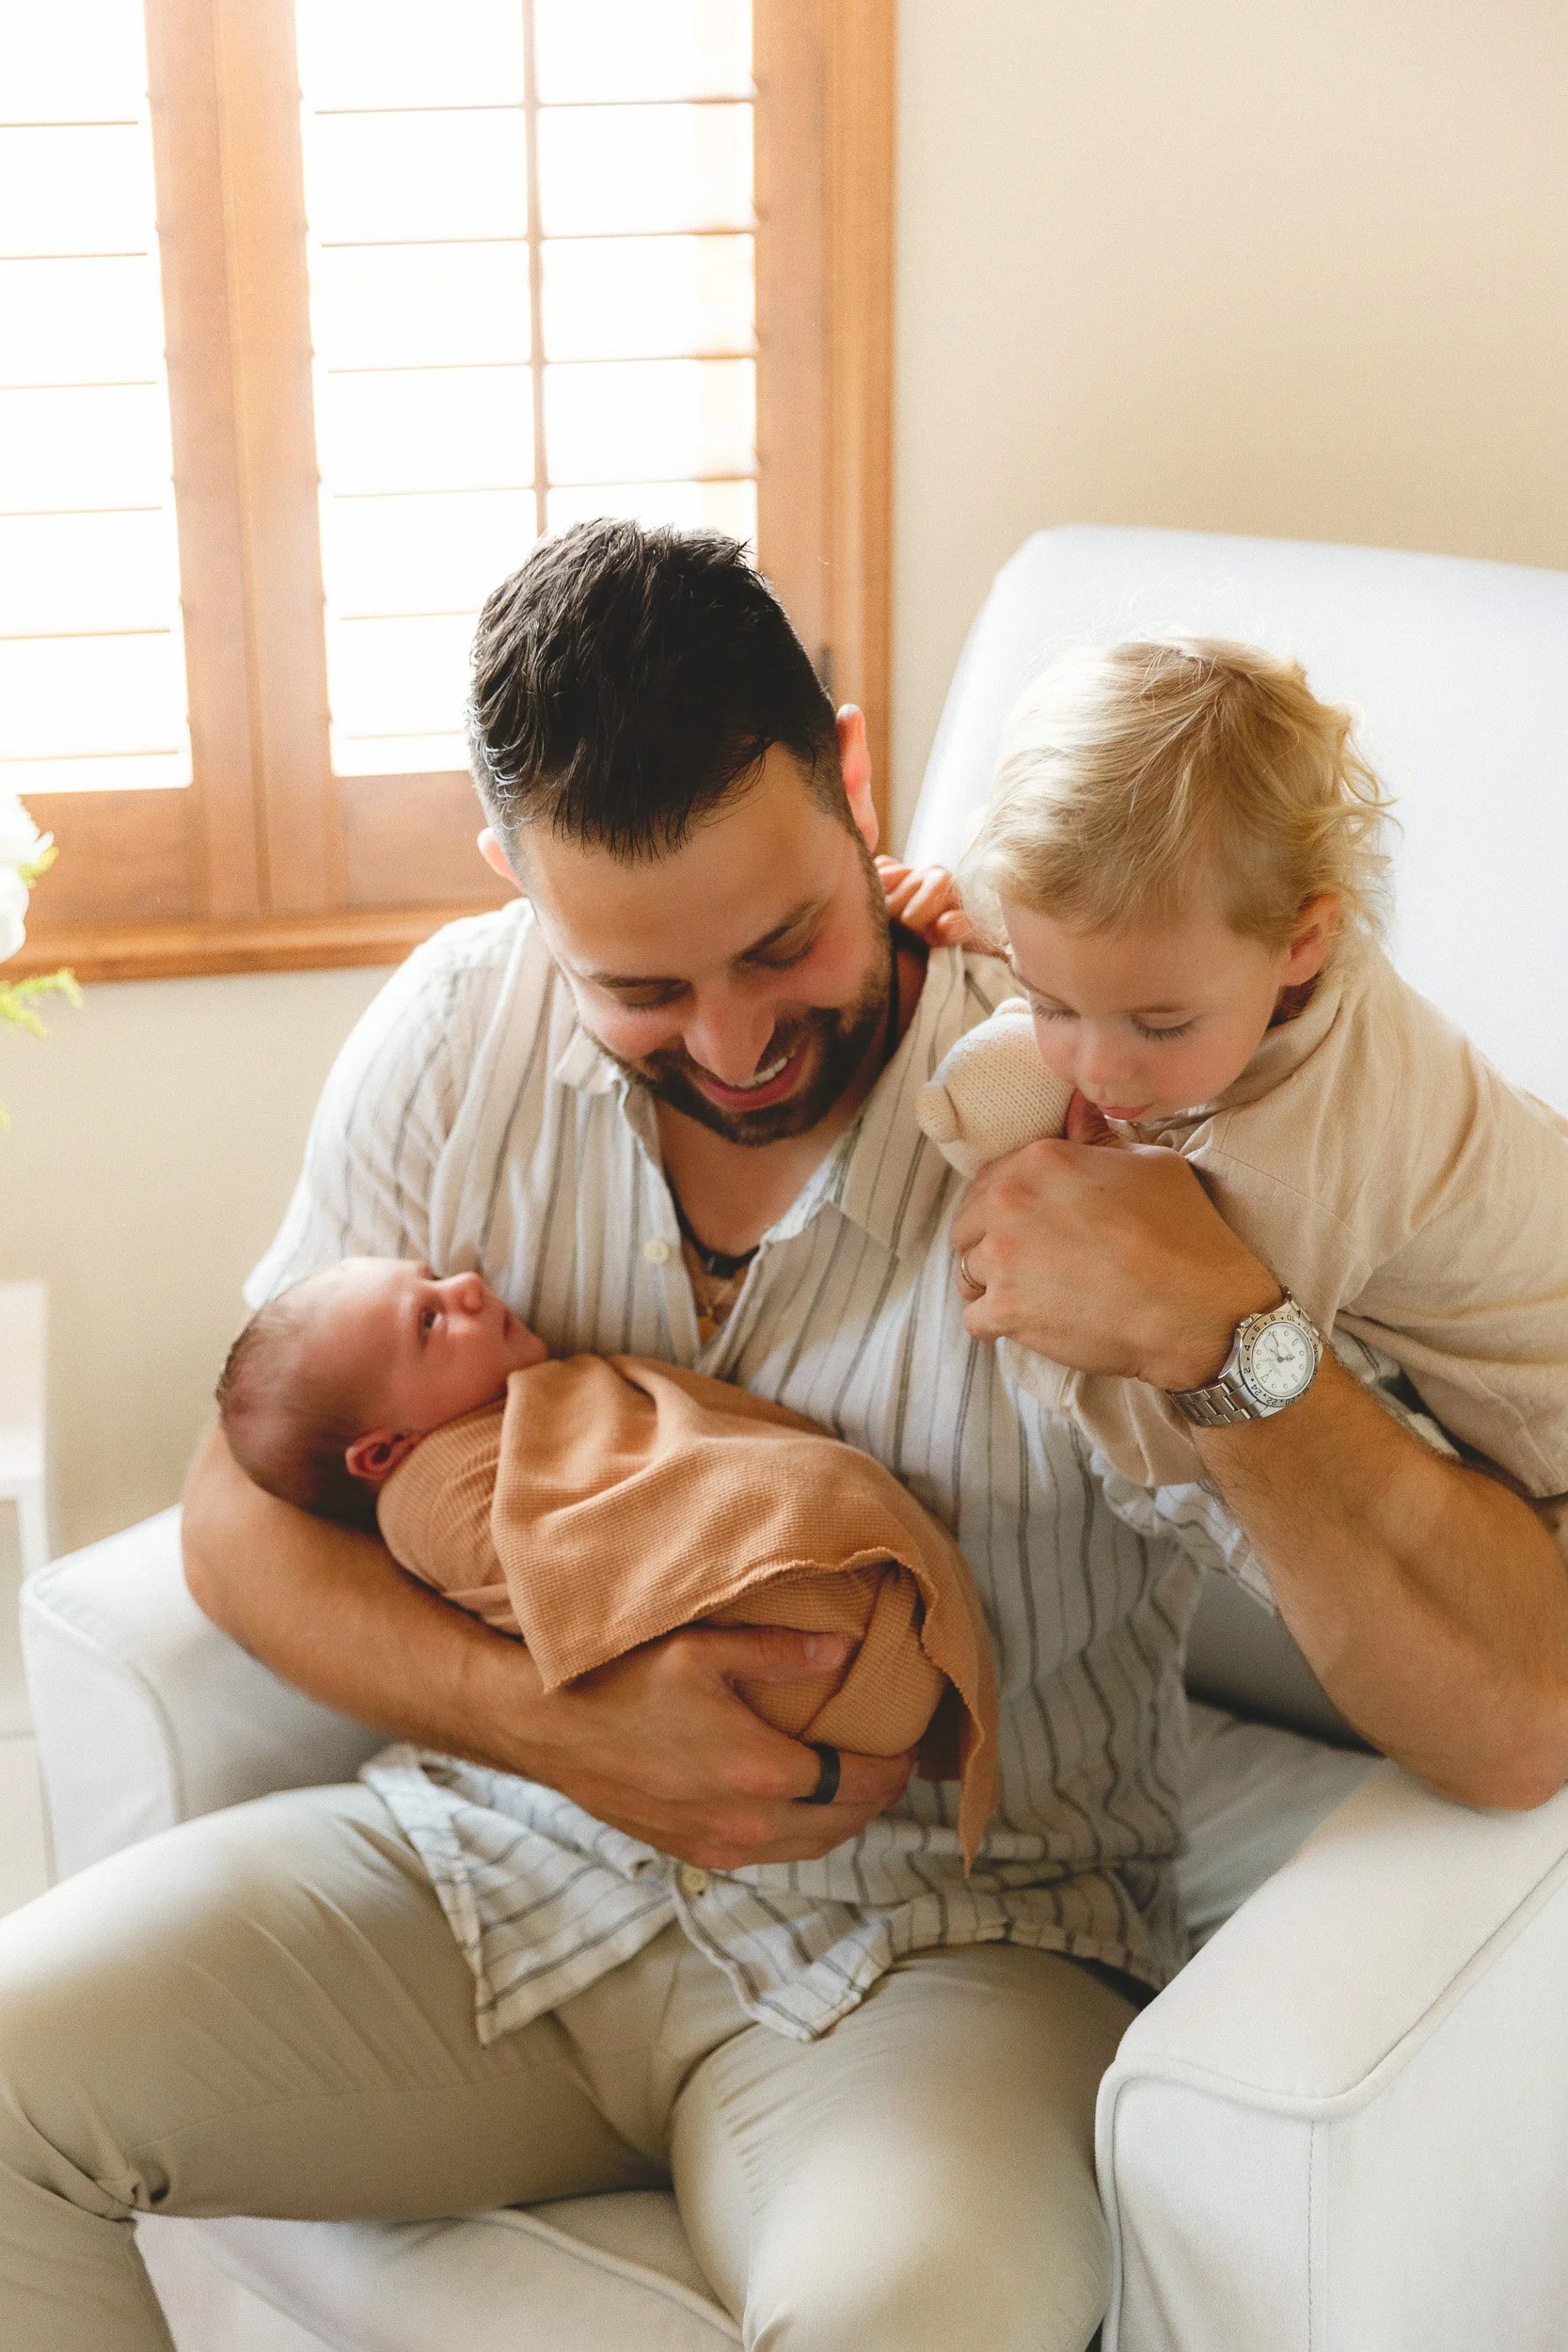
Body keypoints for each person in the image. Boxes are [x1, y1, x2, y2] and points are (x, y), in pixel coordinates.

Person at [1, 524, 1564, 2352]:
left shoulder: (1107, 1069)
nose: (736, 1040)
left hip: (961, 1943)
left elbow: (1513, 1706)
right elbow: (236, 1498)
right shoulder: (454, 1030)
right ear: (516, 881)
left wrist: (1225, 1338)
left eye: (781, 942)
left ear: (846, 773)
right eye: (641, 990)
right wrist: (550, 1719)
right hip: (491, 1860)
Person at [904, 637, 1568, 1505]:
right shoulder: (1259, 942)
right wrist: (954, 927)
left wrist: (1043, 1346)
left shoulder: (1288, 1167)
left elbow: (1182, 1442)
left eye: (1160, 1023)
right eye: (1051, 1004)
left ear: (1302, 939)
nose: (1096, 1069)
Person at [214, 1254, 998, 1873]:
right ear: (383, 1451)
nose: (469, 1287)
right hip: (787, 1695)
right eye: (428, 1318)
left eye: (435, 1279)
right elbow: (569, 1558)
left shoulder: (525, 1407)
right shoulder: (436, 1497)